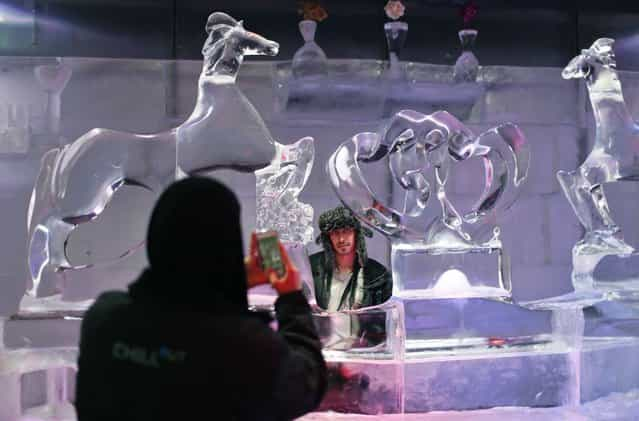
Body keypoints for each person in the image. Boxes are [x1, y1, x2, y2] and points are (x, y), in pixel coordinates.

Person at [75, 177, 327, 421]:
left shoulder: (104, 319)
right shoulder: (246, 349)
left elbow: (181, 304)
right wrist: (290, 295)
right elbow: (307, 382)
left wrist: (231, 282)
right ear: (227, 243)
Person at [310, 206, 392, 311]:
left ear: (357, 234)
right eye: (335, 233)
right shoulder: (312, 266)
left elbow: (381, 318)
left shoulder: (377, 274)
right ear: (328, 237)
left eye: (346, 231)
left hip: (360, 327)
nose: (341, 239)